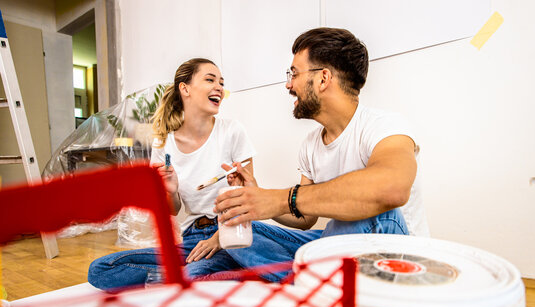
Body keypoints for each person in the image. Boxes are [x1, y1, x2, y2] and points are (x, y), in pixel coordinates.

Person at [214, 28, 429, 279]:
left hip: (396, 252)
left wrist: (280, 199)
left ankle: (303, 275)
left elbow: (392, 188)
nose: (288, 84)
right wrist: (257, 196)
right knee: (245, 230)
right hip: (339, 243)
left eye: (293, 73)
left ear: (323, 78)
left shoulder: (385, 126)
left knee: (375, 211)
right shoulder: (311, 144)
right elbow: (305, 216)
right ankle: (308, 275)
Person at [88, 58, 256, 290]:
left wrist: (220, 236)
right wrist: (171, 191)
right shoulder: (164, 144)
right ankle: (194, 275)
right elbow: (172, 209)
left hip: (228, 233)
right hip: (191, 238)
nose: (219, 87)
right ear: (184, 88)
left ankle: (192, 275)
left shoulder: (232, 131)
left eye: (221, 82)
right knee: (101, 270)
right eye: (210, 79)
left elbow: (253, 196)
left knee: (194, 276)